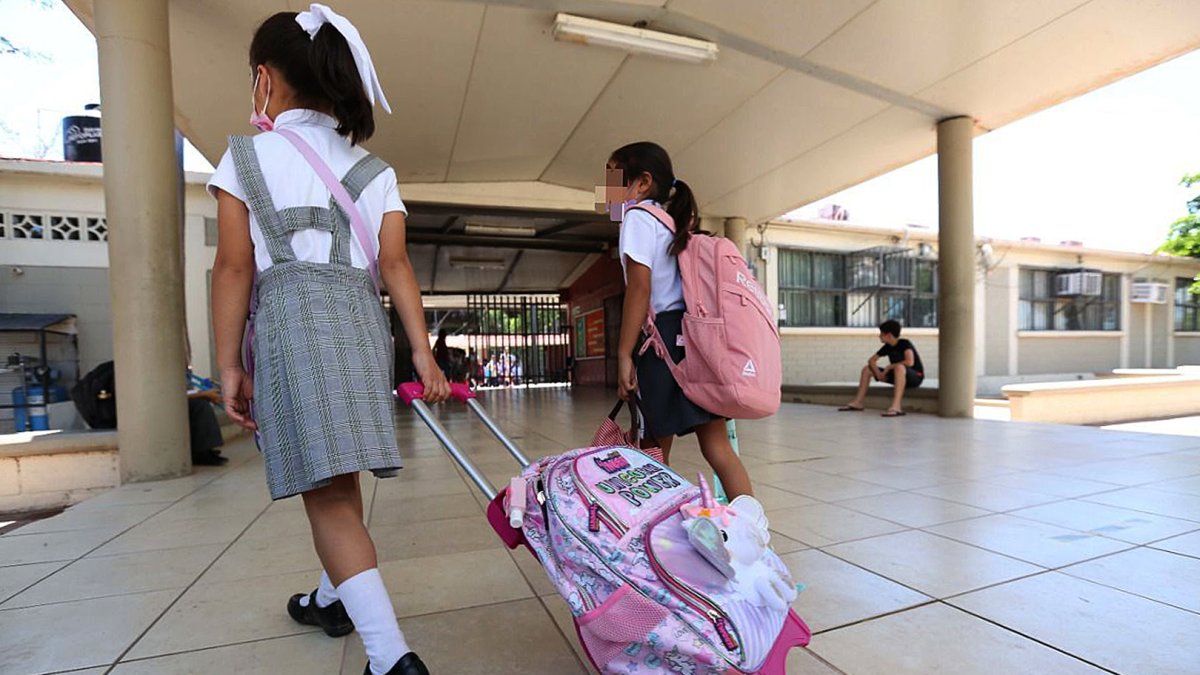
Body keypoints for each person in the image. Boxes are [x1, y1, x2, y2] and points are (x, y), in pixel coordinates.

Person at [208, 6, 447, 675]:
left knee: (329, 493)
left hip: (291, 325)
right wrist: (422, 350)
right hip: (360, 324)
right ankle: (328, 596)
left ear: (265, 79)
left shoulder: (245, 155)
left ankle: (390, 657)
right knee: (336, 473)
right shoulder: (375, 170)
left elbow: (233, 266)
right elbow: (396, 266)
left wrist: (228, 362)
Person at [608, 141, 754, 499]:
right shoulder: (672, 222)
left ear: (641, 182)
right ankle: (752, 532)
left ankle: (657, 536)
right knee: (717, 448)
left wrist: (624, 354)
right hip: (692, 338)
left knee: (653, 452)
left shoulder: (637, 218)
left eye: (611, 178)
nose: (606, 190)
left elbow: (639, 290)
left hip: (661, 343)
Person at [839, 319, 925, 417]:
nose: (879, 336)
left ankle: (896, 407)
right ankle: (858, 402)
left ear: (889, 335)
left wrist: (889, 367)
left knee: (899, 367)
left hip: (915, 377)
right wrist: (878, 374)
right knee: (867, 369)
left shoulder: (904, 343)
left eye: (881, 334)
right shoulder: (887, 346)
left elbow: (909, 362)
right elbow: (871, 360)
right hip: (898, 375)